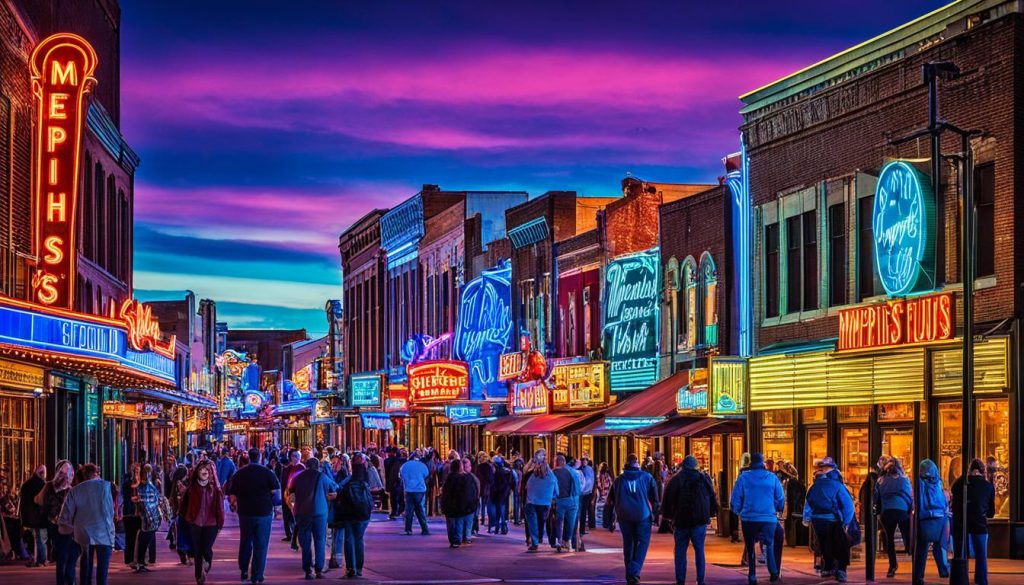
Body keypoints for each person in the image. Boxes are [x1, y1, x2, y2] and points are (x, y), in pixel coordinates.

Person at [604, 453, 660, 585]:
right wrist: (655, 513)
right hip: (642, 514)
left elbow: (610, 500)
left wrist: (610, 520)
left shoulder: (619, 480)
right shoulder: (646, 477)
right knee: (642, 542)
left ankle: (629, 573)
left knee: (628, 543)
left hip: (624, 515)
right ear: (637, 464)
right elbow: (655, 496)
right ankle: (634, 570)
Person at [662, 455, 718, 585]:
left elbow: (668, 499)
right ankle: (700, 579)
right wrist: (710, 514)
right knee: (699, 549)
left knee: (680, 550)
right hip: (699, 520)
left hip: (681, 520)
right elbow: (711, 496)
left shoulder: (676, 479)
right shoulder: (703, 478)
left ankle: (680, 579)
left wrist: (668, 517)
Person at [228, 448, 281, 584]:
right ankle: (257, 575)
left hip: (245, 512)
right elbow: (276, 491)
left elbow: (232, 493)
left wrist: (234, 505)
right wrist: (272, 502)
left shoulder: (240, 473)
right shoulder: (267, 473)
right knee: (261, 544)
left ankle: (244, 569)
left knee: (246, 541)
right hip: (264, 512)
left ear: (249, 458)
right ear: (260, 457)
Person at [732, 452, 785, 585]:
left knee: (750, 547)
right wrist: (777, 509)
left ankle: (752, 575)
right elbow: (780, 497)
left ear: (751, 464)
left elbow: (735, 498)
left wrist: (738, 511)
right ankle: (773, 573)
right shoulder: (772, 477)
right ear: (763, 464)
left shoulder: (744, 477)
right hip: (768, 518)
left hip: (749, 517)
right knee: (769, 544)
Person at [58, 463, 115, 585]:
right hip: (104, 532)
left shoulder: (75, 491)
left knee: (85, 559)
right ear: (96, 474)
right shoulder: (107, 487)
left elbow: (65, 516)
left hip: (83, 532)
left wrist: (70, 528)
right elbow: (112, 510)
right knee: (102, 570)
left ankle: (85, 581)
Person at [802, 457, 854, 583]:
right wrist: (846, 521)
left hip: (817, 520)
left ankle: (828, 567)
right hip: (833, 519)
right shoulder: (836, 485)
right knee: (840, 545)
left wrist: (806, 518)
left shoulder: (813, 487)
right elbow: (848, 505)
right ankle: (841, 570)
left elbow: (808, 504)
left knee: (824, 544)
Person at [289, 458, 338, 579]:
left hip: (302, 512)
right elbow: (334, 488)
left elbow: (291, 491)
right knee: (320, 540)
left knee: (305, 542)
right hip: (319, 512)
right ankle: (319, 569)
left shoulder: (298, 477)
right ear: (318, 466)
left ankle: (307, 570)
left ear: (306, 466)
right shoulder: (322, 476)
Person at [951, 458, 995, 585]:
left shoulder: (959, 482)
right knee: (981, 555)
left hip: (961, 523)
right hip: (979, 523)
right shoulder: (988, 486)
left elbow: (954, 503)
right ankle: (980, 580)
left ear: (970, 470)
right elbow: (991, 512)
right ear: (983, 470)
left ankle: (960, 579)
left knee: (960, 553)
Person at [181, 460, 225, 585]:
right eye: (200, 470)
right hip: (195, 522)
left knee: (207, 547)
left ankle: (208, 561)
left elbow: (219, 507)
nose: (203, 472)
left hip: (211, 523)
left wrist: (220, 522)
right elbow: (185, 504)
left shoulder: (215, 488)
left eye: (206, 470)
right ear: (197, 473)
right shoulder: (192, 488)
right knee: (197, 550)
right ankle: (198, 576)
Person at [335, 455, 373, 577]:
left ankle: (350, 568)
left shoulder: (349, 481)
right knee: (359, 539)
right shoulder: (365, 482)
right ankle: (359, 568)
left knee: (349, 540)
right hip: (363, 514)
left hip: (349, 514)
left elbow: (339, 490)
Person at [873, 458, 912, 578]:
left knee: (889, 539)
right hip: (901, 510)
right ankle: (912, 555)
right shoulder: (904, 480)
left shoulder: (881, 480)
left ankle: (892, 566)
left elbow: (877, 498)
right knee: (907, 535)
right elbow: (909, 496)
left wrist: (879, 512)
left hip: (887, 511)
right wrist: (909, 509)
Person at [914, 459, 950, 585]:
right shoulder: (938, 482)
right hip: (940, 517)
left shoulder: (919, 483)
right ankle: (943, 570)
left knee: (922, 548)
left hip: (925, 517)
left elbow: (917, 501)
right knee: (939, 545)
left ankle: (918, 576)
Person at [442, 458, 479, 548]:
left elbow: (446, 492)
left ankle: (454, 540)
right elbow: (470, 491)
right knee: (459, 522)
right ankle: (459, 539)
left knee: (452, 523)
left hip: (451, 505)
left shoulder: (449, 478)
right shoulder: (465, 478)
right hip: (460, 505)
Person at [524, 450, 556, 553]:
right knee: (543, 521)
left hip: (532, 502)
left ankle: (535, 542)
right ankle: (550, 540)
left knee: (533, 523)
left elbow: (526, 486)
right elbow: (557, 490)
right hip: (546, 503)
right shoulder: (551, 475)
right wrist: (552, 497)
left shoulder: (532, 475)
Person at [132, 464, 162, 573]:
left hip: (149, 517)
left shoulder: (146, 485)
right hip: (149, 518)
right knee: (144, 541)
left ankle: (140, 562)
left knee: (144, 540)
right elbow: (146, 503)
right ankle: (140, 562)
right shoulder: (144, 486)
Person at [19, 463, 48, 568]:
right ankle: (41, 560)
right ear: (41, 473)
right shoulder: (42, 485)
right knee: (42, 539)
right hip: (40, 517)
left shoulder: (27, 485)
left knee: (35, 538)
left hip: (31, 517)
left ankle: (36, 559)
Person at [552, 454, 581, 553]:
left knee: (559, 522)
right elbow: (578, 488)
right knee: (570, 523)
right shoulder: (573, 472)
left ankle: (559, 541)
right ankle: (568, 542)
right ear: (564, 462)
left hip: (559, 501)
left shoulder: (553, 473)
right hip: (572, 500)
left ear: (557, 462)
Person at [399, 453, 431, 536]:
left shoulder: (404, 466)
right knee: (420, 509)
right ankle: (425, 529)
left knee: (409, 510)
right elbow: (426, 474)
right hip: (420, 489)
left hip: (409, 489)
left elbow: (400, 476)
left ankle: (408, 529)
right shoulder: (422, 465)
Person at [279, 450, 303, 545]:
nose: (294, 458)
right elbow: (283, 481)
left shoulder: (301, 468)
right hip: (286, 494)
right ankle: (289, 534)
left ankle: (295, 535)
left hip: (295, 495)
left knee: (294, 515)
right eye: (293, 456)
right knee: (286, 515)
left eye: (296, 456)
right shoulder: (287, 468)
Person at [490, 456, 513, 535]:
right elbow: (511, 481)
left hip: (499, 493)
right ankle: (502, 527)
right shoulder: (508, 471)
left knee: (498, 511)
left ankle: (499, 527)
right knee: (502, 510)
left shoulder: (497, 473)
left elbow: (495, 484)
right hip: (505, 493)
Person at [383, 448, 406, 520]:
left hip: (393, 481)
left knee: (394, 498)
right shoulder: (400, 461)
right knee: (399, 498)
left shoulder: (388, 461)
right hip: (398, 482)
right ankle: (398, 511)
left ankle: (395, 512)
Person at [474, 452, 495, 530]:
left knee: (481, 504)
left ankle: (482, 519)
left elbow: (477, 478)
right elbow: (491, 478)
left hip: (481, 487)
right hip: (487, 487)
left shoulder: (479, 467)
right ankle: (489, 521)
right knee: (487, 504)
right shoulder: (489, 467)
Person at [578, 456, 596, 534]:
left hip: (586, 493)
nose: (584, 462)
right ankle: (581, 529)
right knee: (582, 511)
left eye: (585, 460)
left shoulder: (588, 469)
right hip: (583, 493)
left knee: (584, 511)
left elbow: (590, 481)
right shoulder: (581, 469)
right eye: (583, 460)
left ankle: (582, 529)